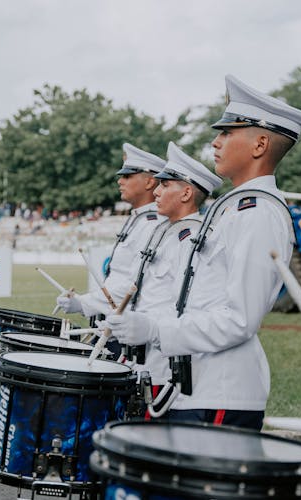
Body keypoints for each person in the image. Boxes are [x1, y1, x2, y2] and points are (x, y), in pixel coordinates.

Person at [105, 74, 301, 430]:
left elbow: (240, 319)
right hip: (197, 384)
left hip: (221, 389)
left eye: (227, 133)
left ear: (260, 144)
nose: (215, 142)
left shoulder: (257, 213)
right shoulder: (234, 208)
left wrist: (155, 330)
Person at [120, 142, 222, 416]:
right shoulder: (165, 232)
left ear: (187, 192)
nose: (156, 190)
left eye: (165, 185)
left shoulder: (195, 240)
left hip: (167, 365)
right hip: (148, 361)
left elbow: (185, 308)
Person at [55, 143, 166, 319]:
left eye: (128, 176)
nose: (120, 181)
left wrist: (84, 303)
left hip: (129, 327)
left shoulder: (153, 224)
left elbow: (133, 284)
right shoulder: (139, 218)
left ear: (149, 182)